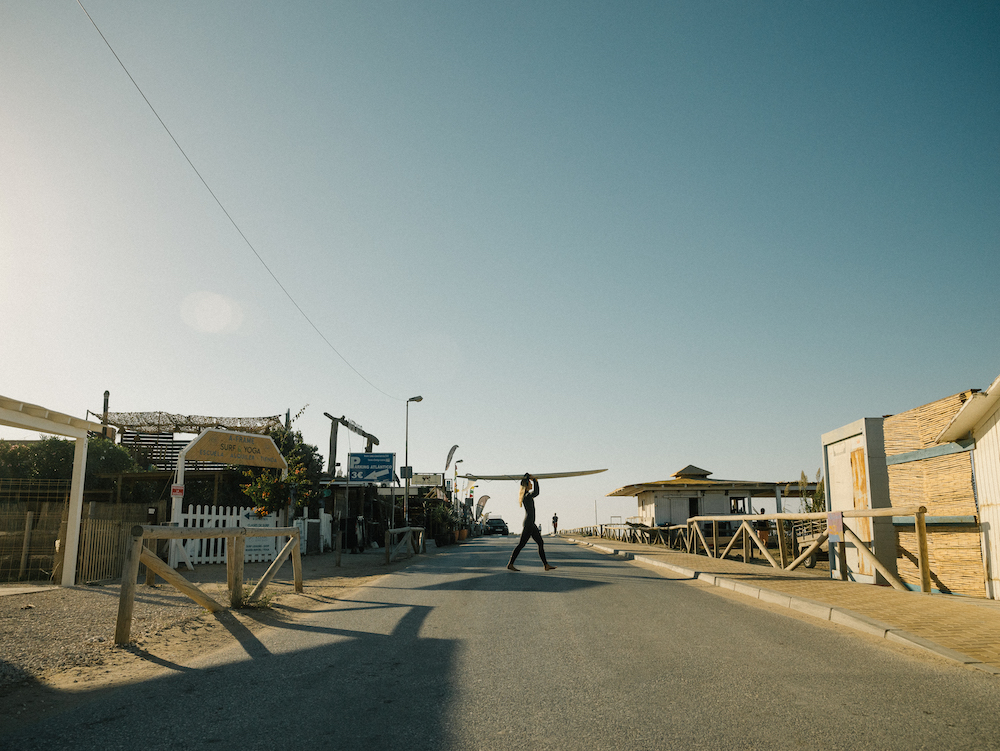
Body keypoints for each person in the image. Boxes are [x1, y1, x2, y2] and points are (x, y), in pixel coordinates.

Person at [507, 474, 556, 572]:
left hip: (531, 523)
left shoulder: (527, 496)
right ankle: (510, 564)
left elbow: (535, 492)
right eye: (530, 483)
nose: (531, 485)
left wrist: (532, 479)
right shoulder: (527, 496)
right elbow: (537, 492)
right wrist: (535, 480)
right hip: (529, 524)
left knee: (540, 543)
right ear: (526, 485)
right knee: (521, 545)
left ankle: (546, 565)